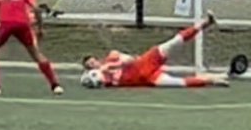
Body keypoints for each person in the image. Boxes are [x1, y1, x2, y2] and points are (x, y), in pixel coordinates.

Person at [80, 12, 228, 89]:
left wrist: (113, 66)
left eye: (92, 62)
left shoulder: (112, 57)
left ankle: (205, 23)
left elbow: (131, 60)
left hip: (145, 62)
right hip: (147, 79)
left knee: (174, 42)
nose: (93, 65)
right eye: (90, 66)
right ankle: (213, 80)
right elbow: (97, 82)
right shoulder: (105, 82)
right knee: (180, 83)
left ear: (96, 59)